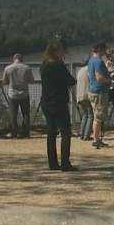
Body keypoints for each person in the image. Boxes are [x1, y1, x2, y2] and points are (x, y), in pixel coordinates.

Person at [39, 40, 78, 171]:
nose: (63, 52)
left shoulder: (44, 65)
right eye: (61, 50)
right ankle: (65, 163)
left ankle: (53, 163)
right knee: (66, 132)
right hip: (59, 102)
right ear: (55, 51)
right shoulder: (58, 65)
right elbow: (71, 80)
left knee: (51, 133)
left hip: (46, 101)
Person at [1, 53, 34, 139]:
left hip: (12, 94)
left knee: (13, 114)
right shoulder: (27, 68)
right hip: (24, 94)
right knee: (26, 114)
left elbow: (4, 82)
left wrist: (10, 81)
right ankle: (25, 133)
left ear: (13, 59)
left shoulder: (8, 68)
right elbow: (32, 81)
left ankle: (14, 133)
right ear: (22, 59)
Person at [86, 42, 112, 148]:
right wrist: (110, 79)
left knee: (96, 116)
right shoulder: (98, 61)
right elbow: (99, 78)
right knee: (99, 117)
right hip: (99, 92)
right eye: (104, 49)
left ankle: (96, 138)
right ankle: (96, 140)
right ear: (100, 49)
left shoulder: (91, 60)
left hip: (93, 90)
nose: (105, 51)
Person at [75, 61, 93, 140]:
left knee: (85, 115)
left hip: (79, 95)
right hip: (86, 95)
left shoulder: (80, 71)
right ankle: (86, 135)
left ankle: (82, 134)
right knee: (90, 115)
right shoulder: (89, 70)